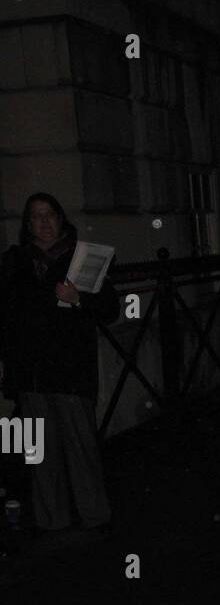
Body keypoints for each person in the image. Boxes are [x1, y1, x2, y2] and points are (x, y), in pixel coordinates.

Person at [0, 192, 119, 537]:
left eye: (50, 214)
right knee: (41, 454)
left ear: (61, 218)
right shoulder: (15, 261)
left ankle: (95, 516)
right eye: (37, 216)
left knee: (80, 447)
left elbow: (110, 308)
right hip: (31, 372)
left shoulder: (81, 258)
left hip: (69, 370)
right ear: (27, 224)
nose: (45, 223)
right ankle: (52, 519)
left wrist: (79, 298)